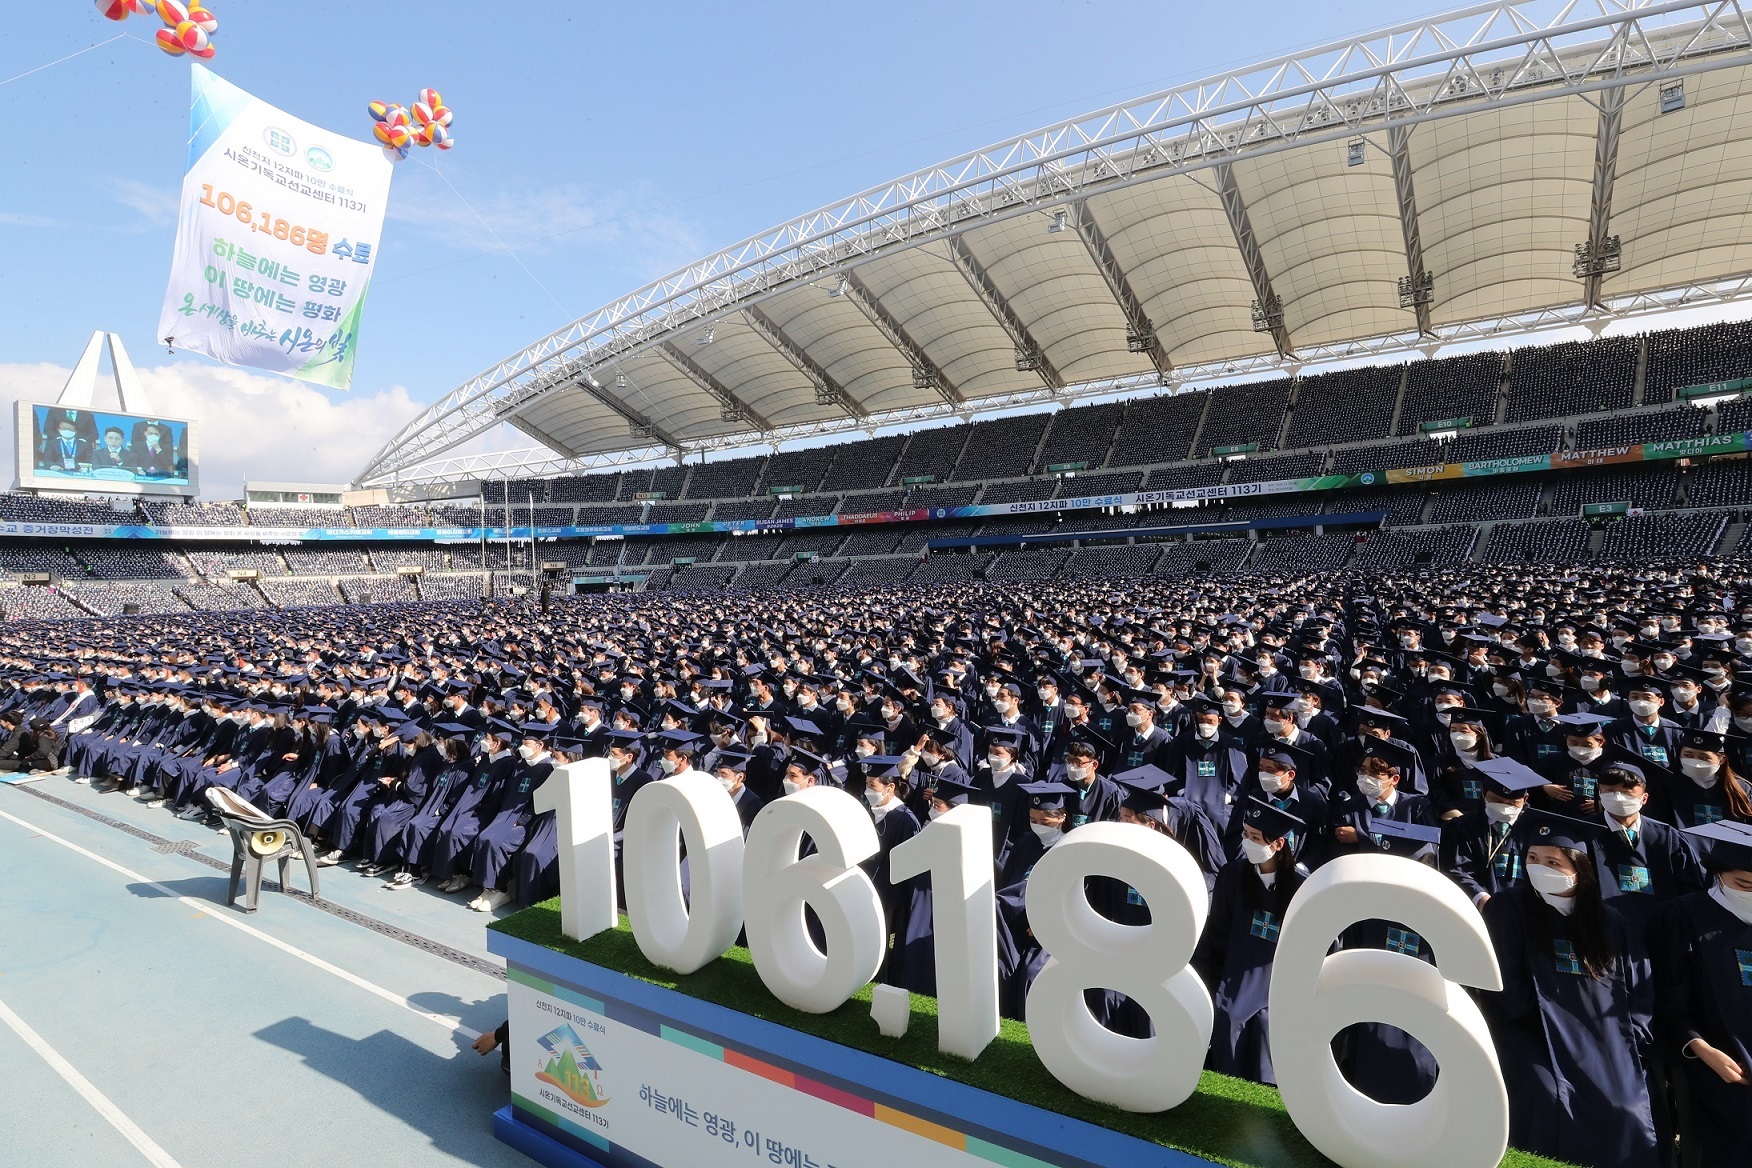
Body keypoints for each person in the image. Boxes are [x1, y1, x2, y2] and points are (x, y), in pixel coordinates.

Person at [1481, 809, 1661, 1168]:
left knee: (1628, 1105)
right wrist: (1548, 1028)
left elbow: (1639, 990)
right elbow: (1504, 983)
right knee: (1547, 1096)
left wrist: (1632, 1036)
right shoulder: (1510, 906)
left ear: (1581, 868)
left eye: (1552, 861)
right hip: (1530, 1033)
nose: (1539, 866)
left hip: (1607, 1039)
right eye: (1532, 858)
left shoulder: (1611, 922)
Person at [1653, 820, 1752, 1167]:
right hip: (1718, 1063)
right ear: (1719, 873)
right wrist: (1703, 1050)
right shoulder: (1683, 916)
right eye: (1744, 883)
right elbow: (1670, 1001)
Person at [1192, 798, 1308, 1085]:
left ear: (1278, 844)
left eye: (1254, 838)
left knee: (1269, 1021)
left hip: (1278, 979)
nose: (1246, 842)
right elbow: (1216, 933)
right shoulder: (1232, 875)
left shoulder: (1301, 887)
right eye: (1245, 834)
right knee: (1230, 1016)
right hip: (1236, 972)